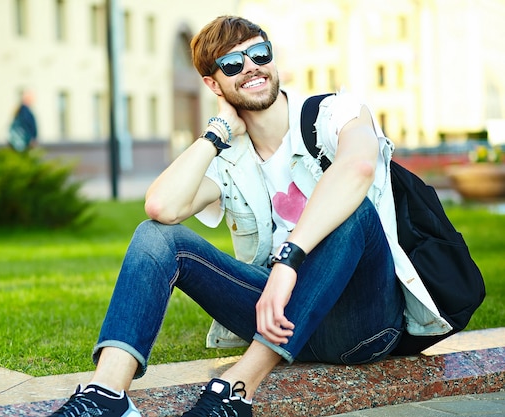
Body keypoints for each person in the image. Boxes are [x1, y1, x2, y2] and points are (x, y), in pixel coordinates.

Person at [47, 15, 450, 417]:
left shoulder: (334, 113)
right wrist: (217, 132)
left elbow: (358, 167)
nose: (251, 67)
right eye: (232, 64)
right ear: (213, 84)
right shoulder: (230, 159)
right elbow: (161, 207)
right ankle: (106, 396)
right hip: (272, 317)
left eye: (258, 53)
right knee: (156, 236)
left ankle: (236, 392)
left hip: (360, 323)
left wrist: (287, 264)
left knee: (352, 211)